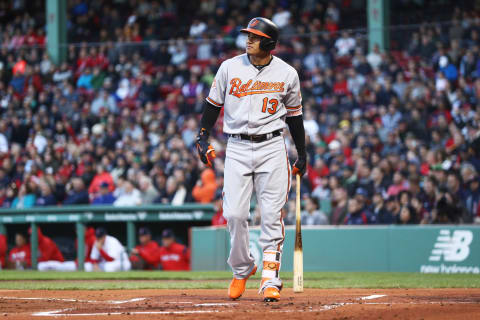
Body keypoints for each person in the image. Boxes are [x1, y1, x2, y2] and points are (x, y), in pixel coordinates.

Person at [195, 17, 306, 302]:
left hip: (272, 146)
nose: (248, 40)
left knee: (271, 215)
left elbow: (295, 117)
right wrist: (203, 136)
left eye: (255, 37)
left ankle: (270, 278)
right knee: (233, 214)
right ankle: (242, 268)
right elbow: (212, 104)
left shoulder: (287, 73)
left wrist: (302, 152)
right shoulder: (229, 67)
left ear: (269, 43)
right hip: (237, 146)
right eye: (248, 35)